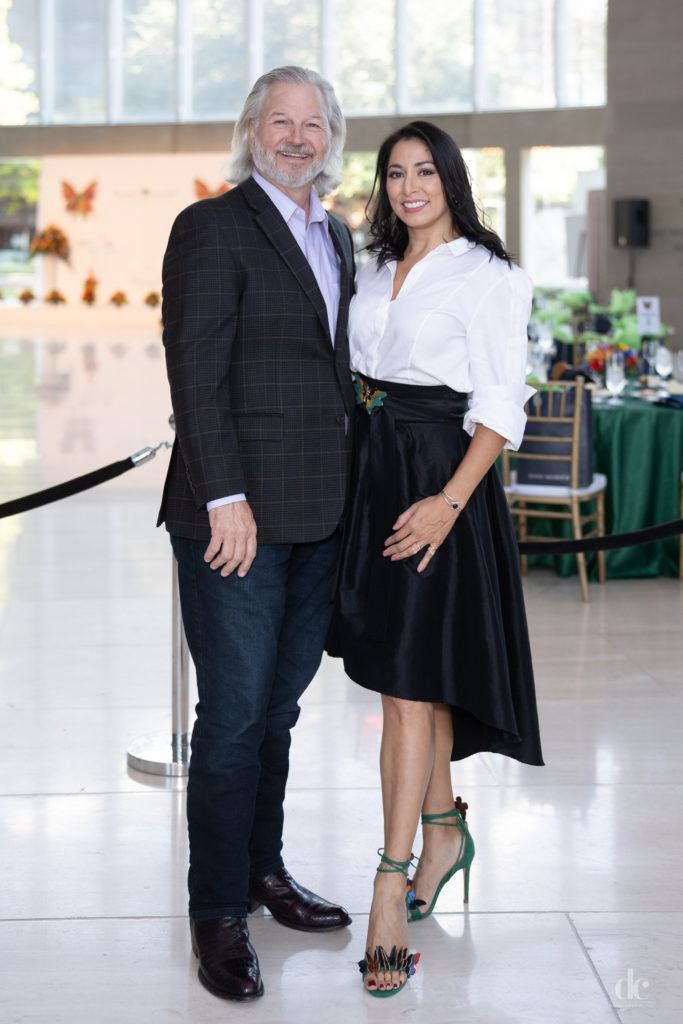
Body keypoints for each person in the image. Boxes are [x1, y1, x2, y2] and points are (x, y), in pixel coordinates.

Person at [327, 121, 544, 997]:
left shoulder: (490, 277)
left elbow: (499, 404)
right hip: (374, 473)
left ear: (451, 180)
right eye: (394, 173)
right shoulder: (372, 266)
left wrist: (447, 504)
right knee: (407, 670)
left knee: (408, 688)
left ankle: (389, 878)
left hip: (438, 487)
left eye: (424, 171)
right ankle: (445, 829)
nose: (409, 186)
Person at [158, 66, 356, 1002]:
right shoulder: (210, 227)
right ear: (252, 129)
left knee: (278, 712)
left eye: (312, 123)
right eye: (280, 121)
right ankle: (215, 913)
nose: (296, 136)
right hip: (234, 519)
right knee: (232, 721)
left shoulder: (339, 233)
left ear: (331, 137)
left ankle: (261, 872)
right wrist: (221, 496)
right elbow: (194, 375)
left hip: (320, 514)